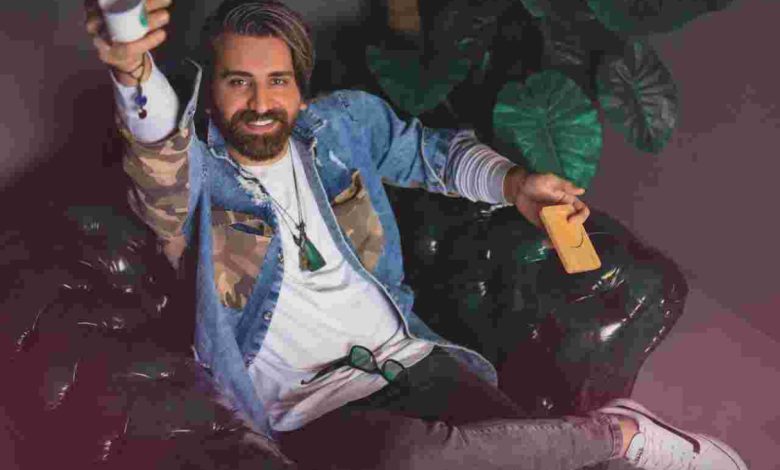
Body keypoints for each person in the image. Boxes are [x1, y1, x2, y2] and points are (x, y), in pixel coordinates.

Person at [84, 0, 748, 468]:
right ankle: (620, 436)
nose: (261, 103)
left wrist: (516, 184)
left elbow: (431, 153)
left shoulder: (339, 127)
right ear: (212, 94)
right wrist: (132, 71)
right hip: (312, 414)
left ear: (300, 91)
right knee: (406, 459)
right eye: (239, 83)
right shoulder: (196, 181)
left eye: (277, 81)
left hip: (409, 358)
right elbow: (157, 154)